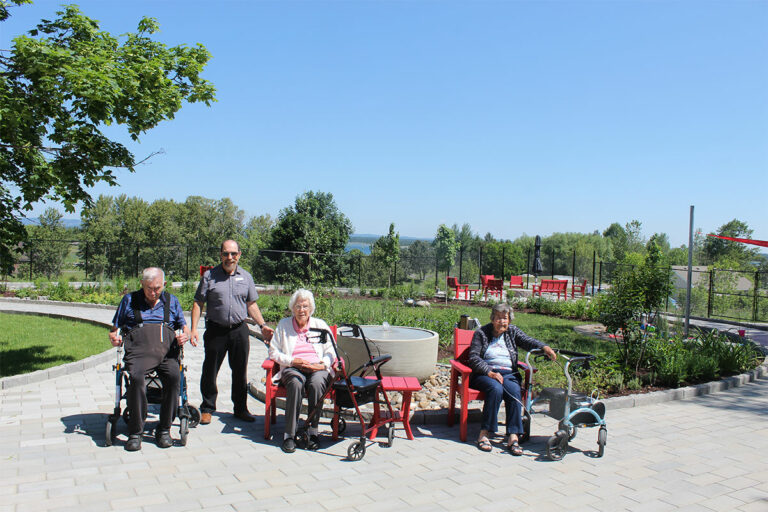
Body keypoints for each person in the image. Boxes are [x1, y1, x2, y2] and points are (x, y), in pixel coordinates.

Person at [190, 240, 274, 425]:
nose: (230, 257)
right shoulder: (209, 276)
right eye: (226, 254)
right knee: (210, 370)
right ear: (220, 255)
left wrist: (262, 325)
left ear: (239, 255)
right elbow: (198, 302)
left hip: (239, 331)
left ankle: (240, 409)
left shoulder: (246, 277)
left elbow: (251, 304)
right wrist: (193, 329)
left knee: (239, 371)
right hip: (215, 330)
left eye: (233, 254)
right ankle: (207, 408)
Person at [109, 267, 191, 452]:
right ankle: (135, 432)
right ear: (142, 285)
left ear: (165, 285)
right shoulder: (129, 301)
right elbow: (114, 330)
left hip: (166, 352)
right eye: (149, 288)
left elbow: (184, 328)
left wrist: (185, 335)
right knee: (137, 378)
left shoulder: (172, 301)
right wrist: (114, 337)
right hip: (138, 352)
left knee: (174, 377)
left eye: (157, 288)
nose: (153, 293)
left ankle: (164, 429)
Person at [467, 303, 557, 455]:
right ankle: (484, 433)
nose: (502, 322)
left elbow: (528, 341)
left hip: (508, 373)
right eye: (499, 318)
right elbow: (473, 357)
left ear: (509, 320)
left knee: (514, 390)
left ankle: (513, 436)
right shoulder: (481, 333)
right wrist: (489, 372)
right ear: (492, 318)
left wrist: (545, 347)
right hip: (485, 374)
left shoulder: (512, 332)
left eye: (505, 318)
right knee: (495, 389)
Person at [268, 289, 336, 453]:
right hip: (293, 367)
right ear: (293, 308)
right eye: (298, 306)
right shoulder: (283, 325)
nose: (301, 310)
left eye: (305, 306)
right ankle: (289, 436)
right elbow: (273, 352)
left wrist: (322, 364)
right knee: (296, 383)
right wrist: (293, 361)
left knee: (317, 383)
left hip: (317, 368)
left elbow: (332, 351)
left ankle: (313, 432)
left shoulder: (320, 325)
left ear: (310, 308)